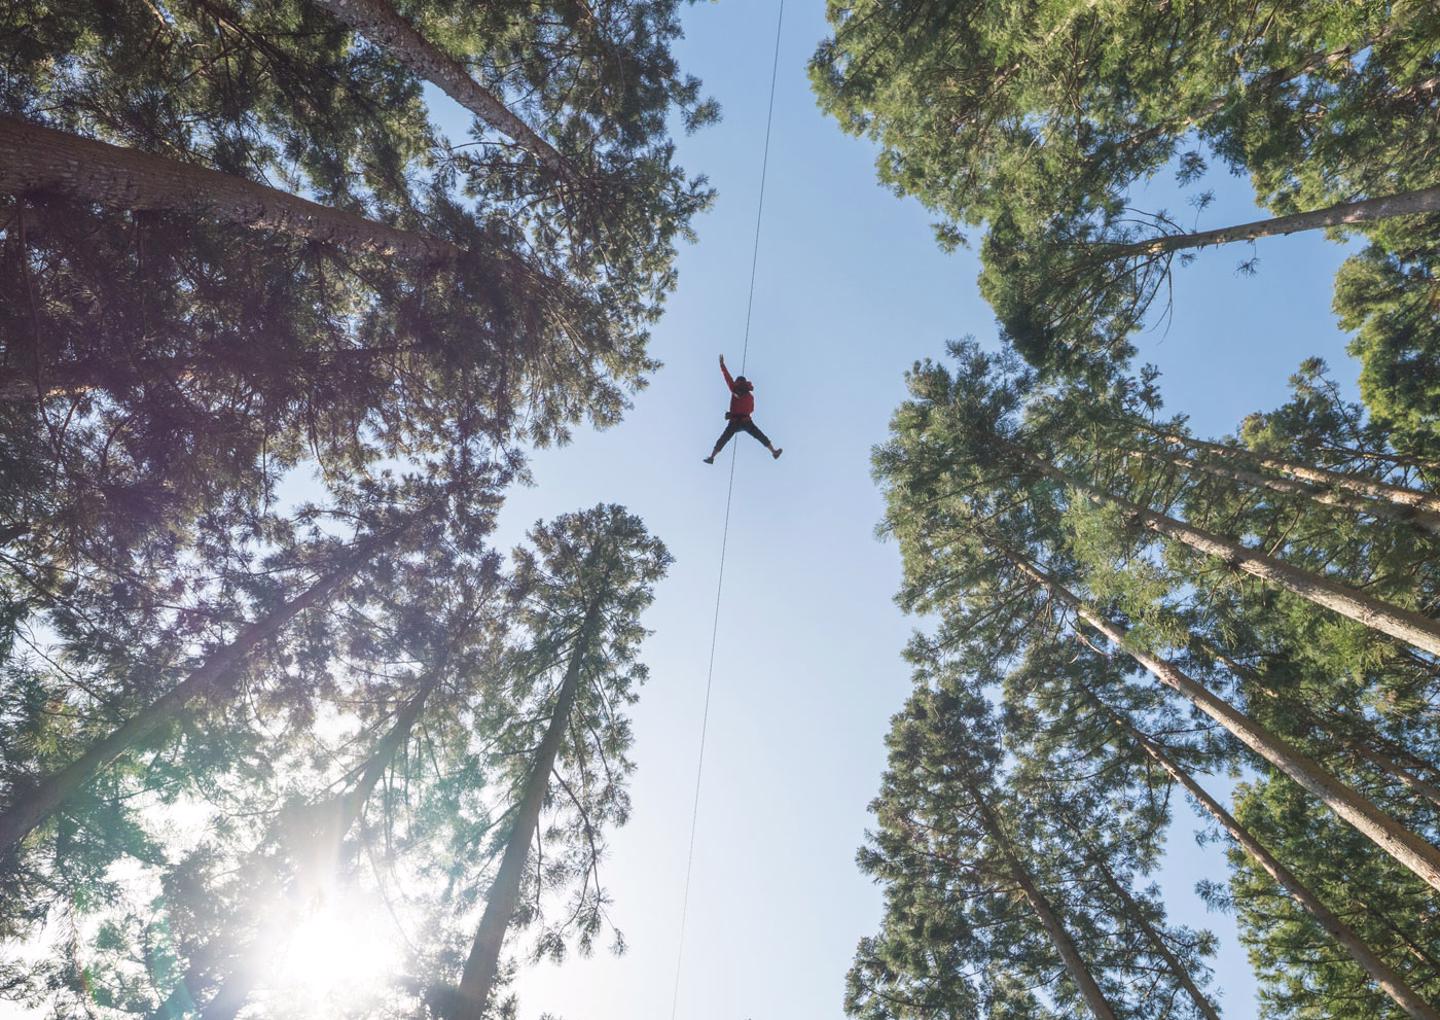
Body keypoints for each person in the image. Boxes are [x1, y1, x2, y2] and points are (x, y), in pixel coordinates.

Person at [703, 354, 782, 463]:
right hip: (745, 421)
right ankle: (773, 451)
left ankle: (712, 457)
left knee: (724, 439)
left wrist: (722, 365)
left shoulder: (735, 388)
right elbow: (751, 409)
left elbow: (727, 378)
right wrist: (722, 365)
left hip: (736, 421)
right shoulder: (749, 395)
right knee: (759, 435)